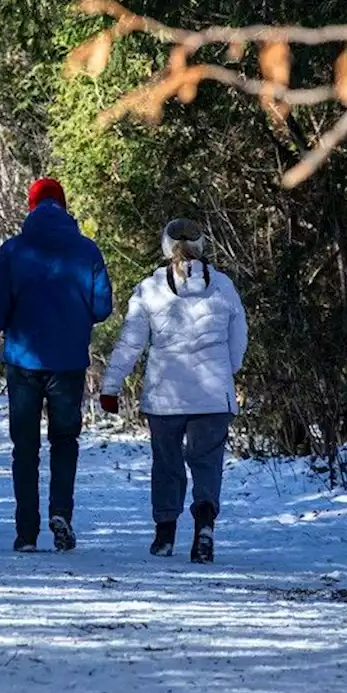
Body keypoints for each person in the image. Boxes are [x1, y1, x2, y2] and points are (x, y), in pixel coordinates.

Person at [0, 178, 113, 553]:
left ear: (31, 207)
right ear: (65, 207)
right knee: (64, 441)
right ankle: (61, 513)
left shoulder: (12, 252)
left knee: (25, 448)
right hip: (68, 363)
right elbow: (102, 308)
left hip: (23, 364)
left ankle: (26, 533)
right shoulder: (87, 251)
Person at [98, 218, 247, 563]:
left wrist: (111, 386)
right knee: (207, 462)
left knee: (167, 463)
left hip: (165, 398)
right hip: (213, 395)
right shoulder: (223, 286)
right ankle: (205, 528)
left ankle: (165, 534)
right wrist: (228, 371)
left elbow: (130, 343)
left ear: (166, 247)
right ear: (202, 245)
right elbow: (238, 340)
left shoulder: (150, 288)